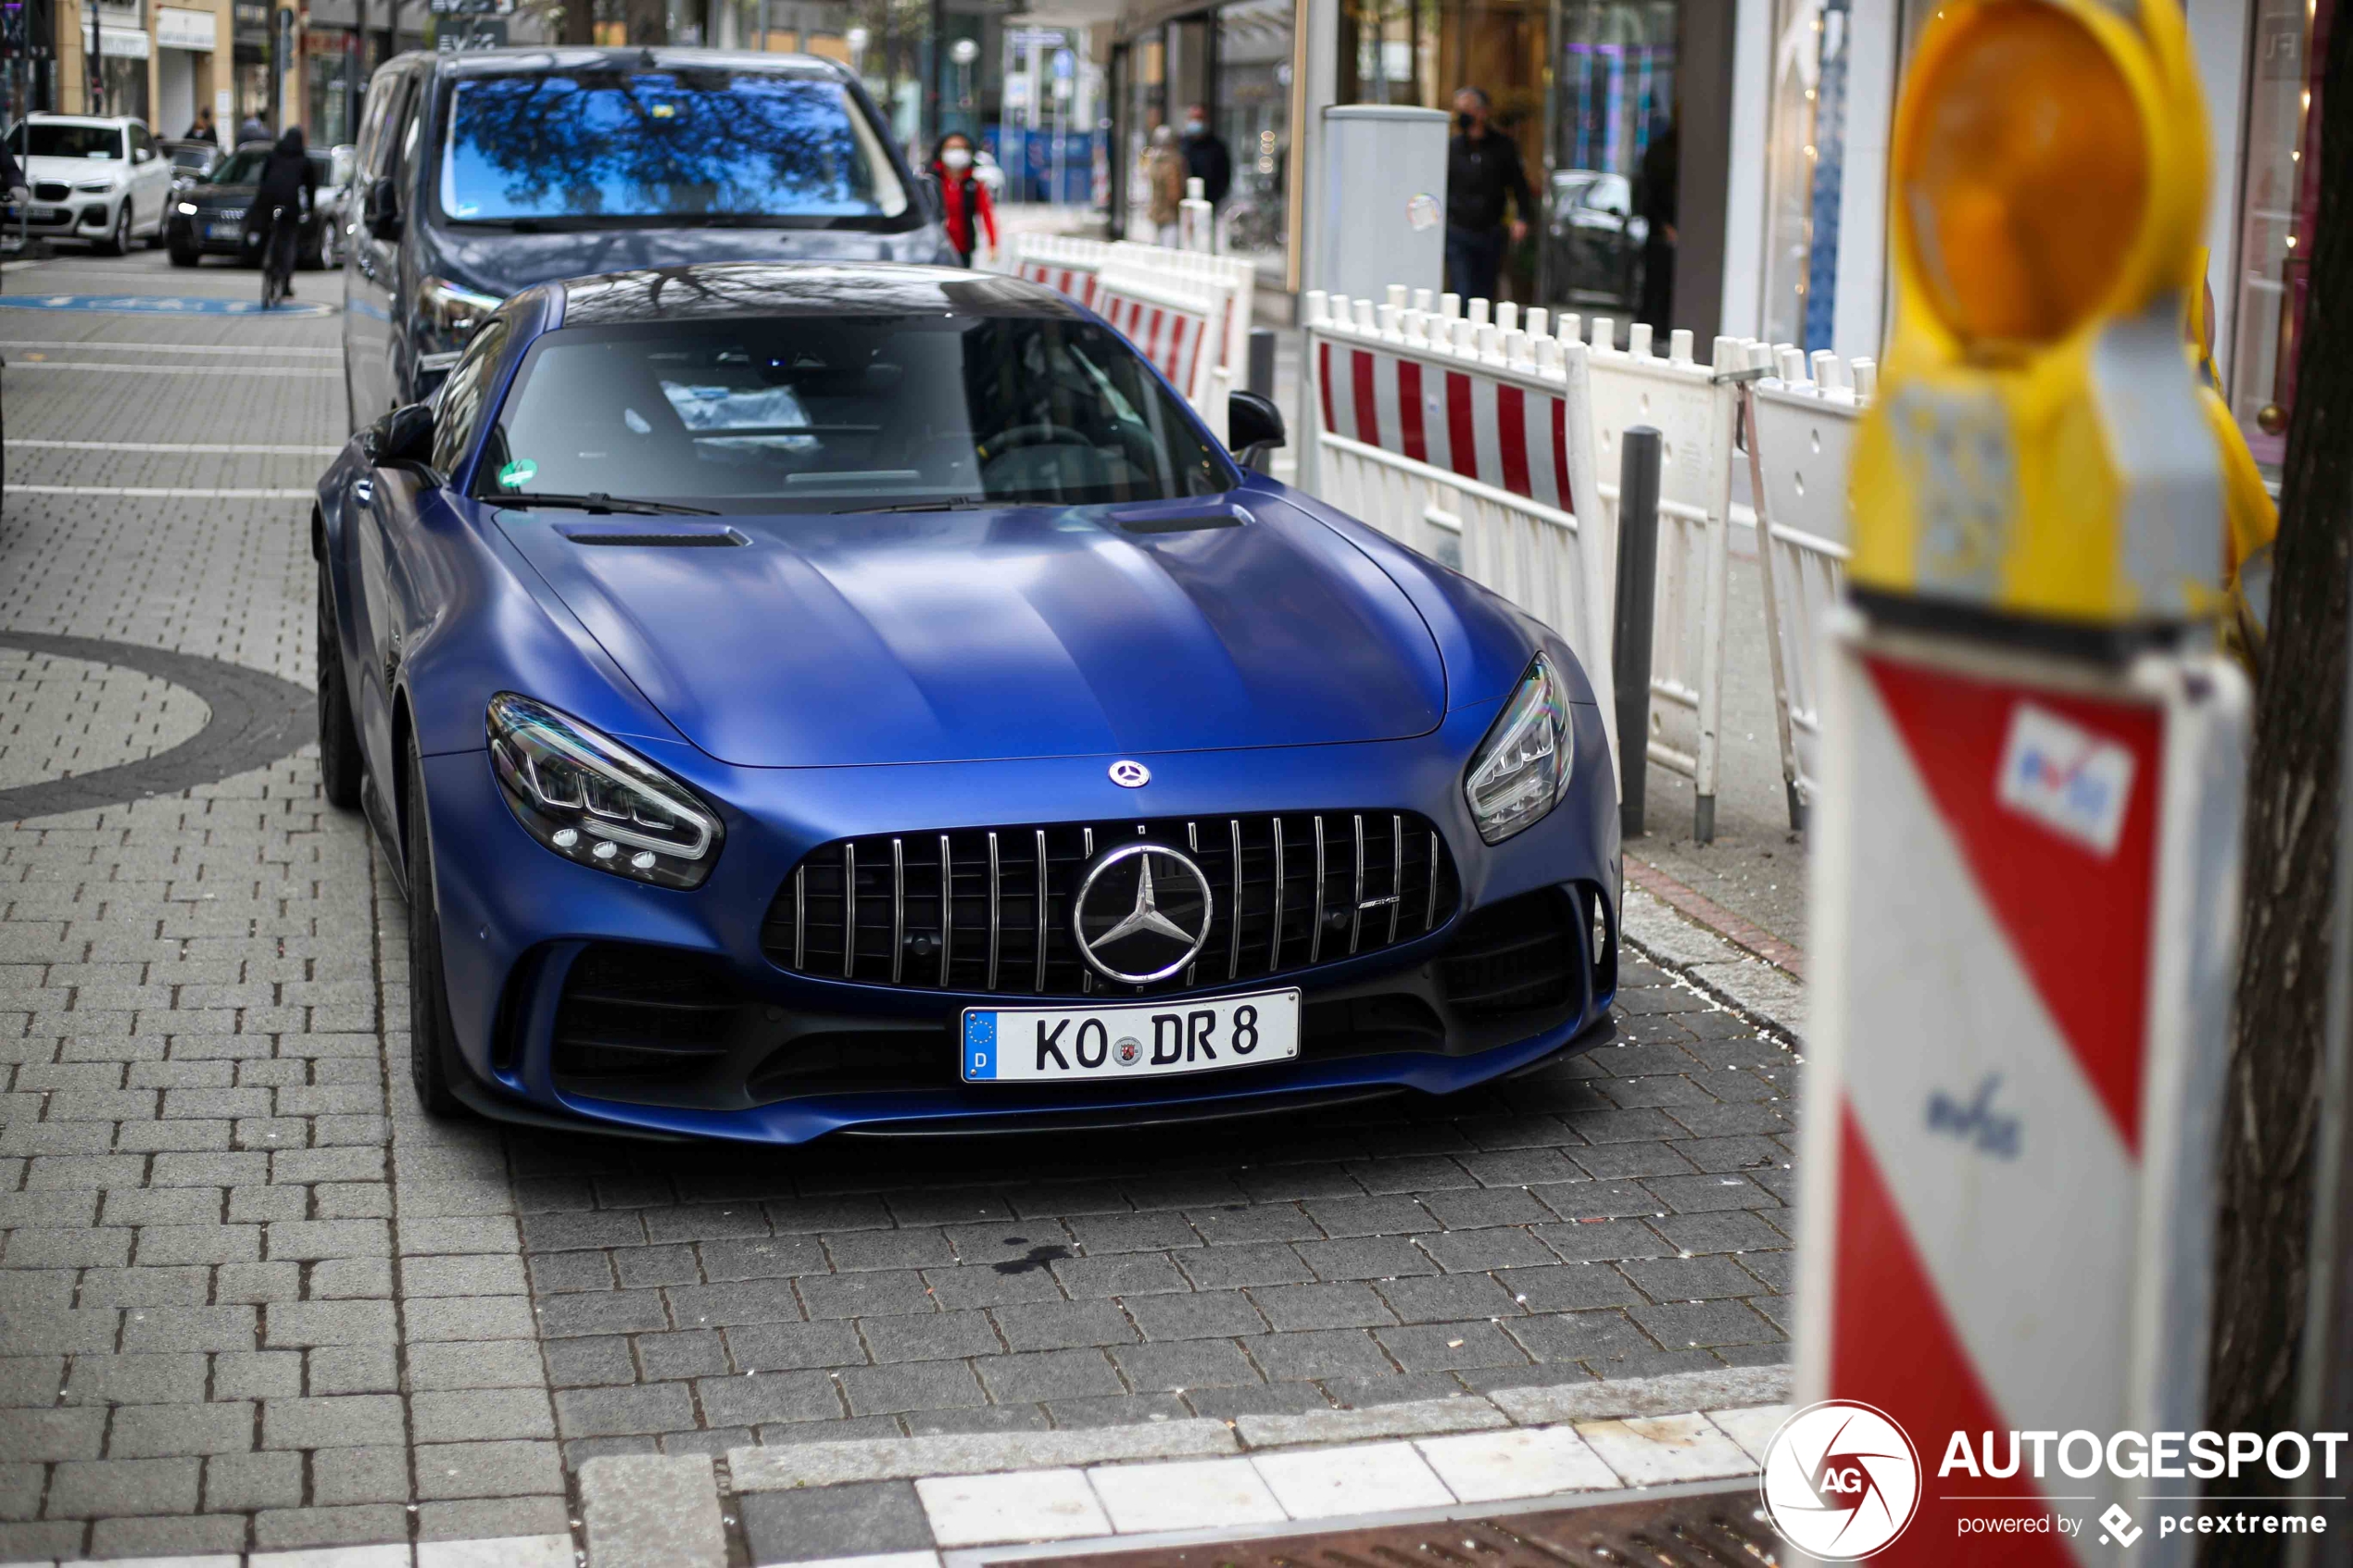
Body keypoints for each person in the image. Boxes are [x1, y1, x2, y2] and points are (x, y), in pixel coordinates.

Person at [1444, 87, 1532, 307]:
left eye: (1468, 110)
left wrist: (1522, 217)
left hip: (1490, 231)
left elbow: (1519, 186)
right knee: (1462, 292)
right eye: (1459, 110)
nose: (1462, 115)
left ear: (1482, 112)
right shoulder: (1451, 148)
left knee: (1483, 295)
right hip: (1458, 230)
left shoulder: (1503, 147)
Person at [252, 127, 317, 297]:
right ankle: (286, 282)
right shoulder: (303, 160)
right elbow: (310, 188)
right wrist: (310, 209)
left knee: (267, 228)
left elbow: (263, 179)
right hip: (289, 204)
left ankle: (265, 254)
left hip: (268, 201)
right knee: (288, 241)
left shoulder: (273, 155)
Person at [929, 132, 997, 269]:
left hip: (963, 247)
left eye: (961, 148)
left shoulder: (973, 184)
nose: (957, 153)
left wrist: (993, 244)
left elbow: (986, 213)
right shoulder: (932, 180)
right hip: (935, 247)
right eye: (951, 148)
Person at [1180, 105, 1231, 207]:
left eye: (1200, 118)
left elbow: (1224, 177)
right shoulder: (1181, 145)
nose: (1196, 122)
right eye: (1193, 118)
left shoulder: (1217, 147)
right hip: (1183, 204)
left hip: (1210, 203)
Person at [1147, 124, 1187, 245]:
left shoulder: (1156, 160)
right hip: (1168, 214)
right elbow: (1173, 191)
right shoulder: (1172, 160)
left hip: (1161, 212)